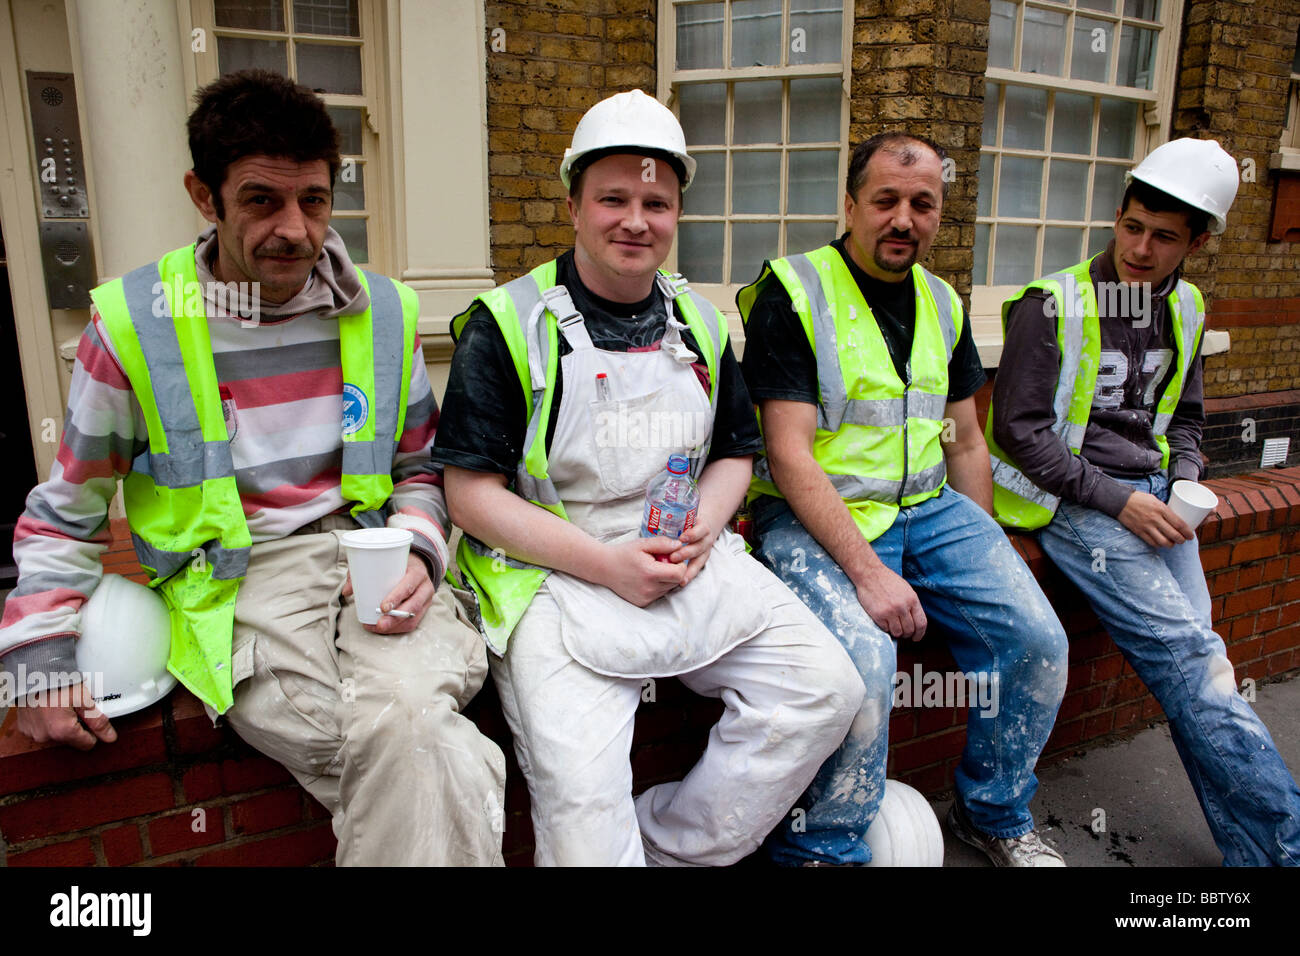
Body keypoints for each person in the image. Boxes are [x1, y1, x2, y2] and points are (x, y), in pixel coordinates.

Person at [0, 70, 505, 866]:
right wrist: (34, 664)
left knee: (410, 732)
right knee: (423, 748)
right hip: (241, 581)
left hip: (371, 556)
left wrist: (417, 546)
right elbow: (68, 507)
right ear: (205, 196)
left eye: (313, 200)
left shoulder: (385, 311)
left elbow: (419, 469)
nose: (296, 231)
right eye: (262, 201)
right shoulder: (138, 325)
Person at [433, 89, 863, 867]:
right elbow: (469, 494)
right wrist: (605, 565)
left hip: (680, 557)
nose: (636, 220)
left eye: (657, 203)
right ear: (572, 205)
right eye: (614, 199)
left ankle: (670, 849)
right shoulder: (505, 326)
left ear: (676, 215)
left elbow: (736, 448)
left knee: (824, 691)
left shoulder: (696, 319)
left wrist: (705, 522)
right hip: (552, 577)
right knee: (583, 814)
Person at [738, 132, 1069, 867]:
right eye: (885, 200)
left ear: (939, 216)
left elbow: (968, 443)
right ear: (851, 204)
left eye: (922, 204)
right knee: (864, 666)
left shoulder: (943, 302)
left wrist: (988, 553)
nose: (902, 219)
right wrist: (867, 572)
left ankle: (993, 812)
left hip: (928, 506)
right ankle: (822, 849)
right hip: (812, 516)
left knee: (1038, 641)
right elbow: (789, 453)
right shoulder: (795, 292)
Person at [988, 137, 1300, 865]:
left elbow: (1187, 414)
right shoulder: (1052, 305)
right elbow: (1018, 431)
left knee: (1203, 677)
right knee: (1199, 667)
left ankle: (1255, 855)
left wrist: (1188, 471)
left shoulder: (1186, 306)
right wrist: (1119, 502)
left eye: (1163, 237)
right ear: (1118, 216)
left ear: (1197, 241)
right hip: (1076, 506)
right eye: (1132, 226)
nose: (1140, 248)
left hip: (1160, 499)